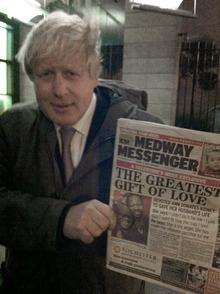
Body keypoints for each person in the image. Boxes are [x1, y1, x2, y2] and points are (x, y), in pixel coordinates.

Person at [0, 11, 162, 294]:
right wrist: (60, 219)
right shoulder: (12, 128)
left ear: (94, 75)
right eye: (46, 74)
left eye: (71, 74)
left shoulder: (146, 133)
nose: (59, 90)